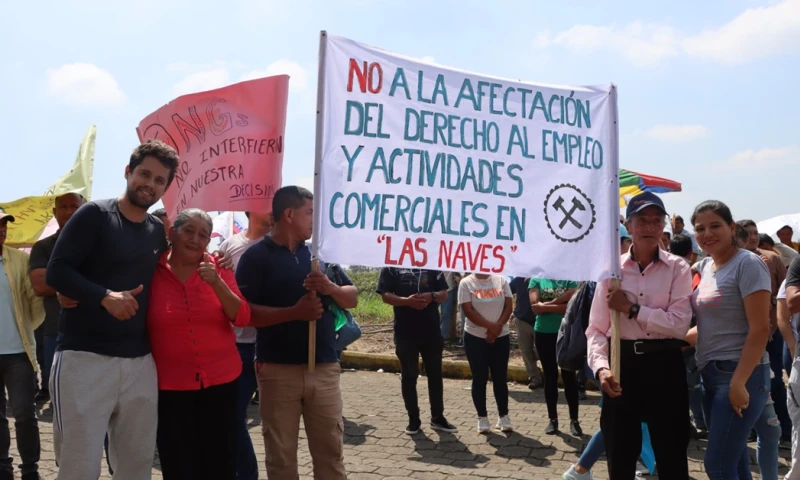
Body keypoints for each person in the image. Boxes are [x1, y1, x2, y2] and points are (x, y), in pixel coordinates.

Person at [45, 140, 178, 480]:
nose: (150, 184)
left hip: (140, 364)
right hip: (84, 360)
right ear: (128, 172)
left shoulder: (156, 233)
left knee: (136, 466)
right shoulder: (95, 214)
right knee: (79, 466)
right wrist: (104, 296)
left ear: (166, 187)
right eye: (144, 174)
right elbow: (57, 271)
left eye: (159, 180)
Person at [235, 186, 357, 480]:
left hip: (325, 368)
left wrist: (329, 287)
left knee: (331, 455)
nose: (316, 219)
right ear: (289, 214)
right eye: (310, 212)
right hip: (277, 371)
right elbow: (244, 313)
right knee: (281, 459)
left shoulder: (319, 255)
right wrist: (294, 313)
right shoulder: (255, 258)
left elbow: (351, 297)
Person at [586, 191, 693, 479]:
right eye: (642, 220)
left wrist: (632, 308)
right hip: (622, 366)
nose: (649, 227)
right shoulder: (610, 270)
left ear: (663, 227)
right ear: (629, 226)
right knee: (620, 455)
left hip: (665, 365)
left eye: (656, 221)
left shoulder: (678, 268)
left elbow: (679, 324)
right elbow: (596, 328)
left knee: (672, 455)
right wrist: (601, 368)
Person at [148, 209, 250, 480]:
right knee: (178, 462)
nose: (195, 239)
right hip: (170, 387)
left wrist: (216, 282)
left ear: (209, 241)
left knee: (220, 462)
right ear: (172, 233)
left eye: (203, 235)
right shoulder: (150, 271)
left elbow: (241, 316)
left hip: (222, 382)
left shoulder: (219, 267)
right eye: (188, 231)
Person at [689, 201, 773, 479]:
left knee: (717, 465)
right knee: (734, 462)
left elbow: (761, 328)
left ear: (731, 227)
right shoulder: (706, 266)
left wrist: (738, 381)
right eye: (700, 228)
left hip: (741, 374)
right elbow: (710, 325)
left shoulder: (748, 264)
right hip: (709, 375)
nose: (707, 234)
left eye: (715, 226)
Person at [218, 210, 272, 480]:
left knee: (278, 426)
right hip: (237, 347)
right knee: (230, 417)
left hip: (273, 349)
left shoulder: (282, 246)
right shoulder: (229, 246)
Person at [377, 265, 457, 435]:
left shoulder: (431, 265)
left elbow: (444, 294)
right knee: (409, 375)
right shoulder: (392, 267)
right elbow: (385, 296)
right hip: (405, 332)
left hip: (431, 331)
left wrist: (432, 295)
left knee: (435, 375)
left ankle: (438, 417)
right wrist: (407, 301)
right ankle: (413, 419)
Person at [28, 193, 84, 403]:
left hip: (96, 332)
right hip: (56, 331)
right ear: (55, 212)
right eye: (64, 207)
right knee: (61, 399)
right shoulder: (43, 247)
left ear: (84, 209)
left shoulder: (101, 242)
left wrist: (65, 282)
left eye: (75, 206)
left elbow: (109, 278)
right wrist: (87, 284)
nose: (69, 212)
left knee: (95, 399)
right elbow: (40, 285)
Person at [0, 212, 44, 480]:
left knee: (24, 413)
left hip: (18, 352)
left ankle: (30, 468)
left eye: (4, 226)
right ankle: (3, 467)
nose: (2, 230)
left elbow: (35, 302)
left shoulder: (20, 260)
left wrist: (28, 328)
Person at [740, 219, 790, 444]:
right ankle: (750, 426)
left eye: (755, 232)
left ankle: (784, 428)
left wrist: (771, 325)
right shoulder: (731, 260)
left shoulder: (772, 259)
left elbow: (781, 297)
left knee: (775, 381)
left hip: (770, 332)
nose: (753, 237)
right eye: (747, 233)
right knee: (746, 380)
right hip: (743, 334)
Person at [458, 273, 513, 433]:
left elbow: (509, 306)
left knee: (500, 378)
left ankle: (503, 416)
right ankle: (482, 417)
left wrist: (497, 328)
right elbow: (468, 310)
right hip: (475, 337)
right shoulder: (466, 283)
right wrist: (490, 326)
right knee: (479, 377)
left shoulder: (501, 280)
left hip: (501, 336)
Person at [528, 276, 581, 436]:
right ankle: (552, 419)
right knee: (550, 376)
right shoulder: (537, 279)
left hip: (565, 332)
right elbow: (535, 306)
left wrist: (546, 306)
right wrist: (561, 300)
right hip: (543, 332)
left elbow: (570, 307)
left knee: (569, 376)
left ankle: (574, 420)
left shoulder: (570, 278)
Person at [509, 276, 543, 389]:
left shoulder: (543, 278)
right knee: (525, 350)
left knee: (542, 350)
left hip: (541, 319)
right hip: (522, 319)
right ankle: (535, 378)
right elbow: (506, 291)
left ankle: (541, 373)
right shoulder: (518, 280)